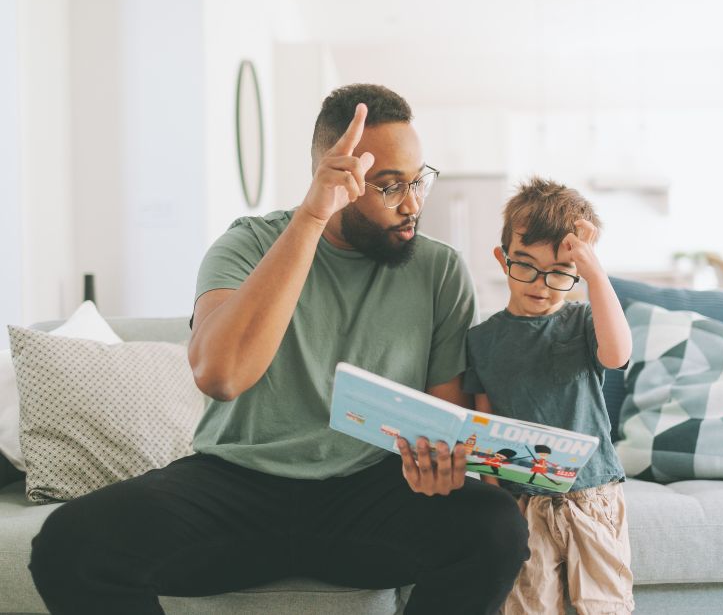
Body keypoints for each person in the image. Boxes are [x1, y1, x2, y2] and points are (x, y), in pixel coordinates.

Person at [28, 84, 528, 615]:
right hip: (237, 486)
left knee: (495, 528)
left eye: (418, 179)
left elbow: (440, 414)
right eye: (389, 186)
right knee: (69, 544)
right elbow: (219, 374)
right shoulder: (246, 245)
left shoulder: (440, 270)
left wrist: (439, 463)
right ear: (333, 178)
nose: (413, 204)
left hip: (371, 493)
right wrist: (310, 220)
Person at [463, 177, 635, 615]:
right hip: (524, 502)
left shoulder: (580, 322)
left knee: (604, 605)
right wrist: (500, 503)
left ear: (576, 274)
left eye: (559, 272)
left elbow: (617, 354)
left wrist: (594, 271)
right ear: (502, 261)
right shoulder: (481, 340)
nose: (540, 284)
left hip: (591, 496)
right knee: (528, 607)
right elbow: (484, 427)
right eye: (525, 265)